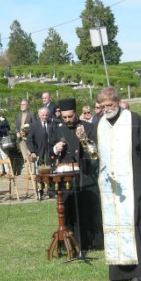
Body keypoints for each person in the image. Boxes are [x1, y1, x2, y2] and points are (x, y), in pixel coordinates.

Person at [95, 87, 141, 281]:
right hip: (111, 188)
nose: (107, 109)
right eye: (103, 106)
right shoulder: (101, 124)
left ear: (118, 101)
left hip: (135, 182)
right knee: (116, 226)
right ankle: (120, 272)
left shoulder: (135, 120)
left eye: (110, 105)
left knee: (138, 224)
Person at [51, 98, 103, 250]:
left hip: (86, 176)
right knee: (68, 210)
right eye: (64, 117)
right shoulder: (57, 128)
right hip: (66, 177)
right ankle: (70, 242)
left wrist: (84, 139)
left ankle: (91, 243)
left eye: (70, 117)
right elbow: (50, 153)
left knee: (87, 210)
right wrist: (55, 149)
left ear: (76, 113)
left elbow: (95, 153)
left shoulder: (89, 127)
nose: (67, 120)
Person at [15, 99, 36, 171]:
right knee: (25, 156)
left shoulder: (31, 114)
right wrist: (17, 132)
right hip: (21, 139)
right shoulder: (18, 115)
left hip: (29, 138)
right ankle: (29, 172)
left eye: (24, 104)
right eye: (21, 104)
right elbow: (16, 127)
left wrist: (27, 131)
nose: (22, 106)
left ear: (28, 105)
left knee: (30, 155)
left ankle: (34, 172)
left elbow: (35, 125)